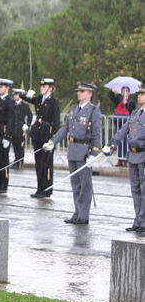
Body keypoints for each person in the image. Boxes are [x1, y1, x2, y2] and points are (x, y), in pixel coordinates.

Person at [44, 82, 103, 225]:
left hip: (84, 151)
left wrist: (94, 153)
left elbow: (96, 134)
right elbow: (65, 129)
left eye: (82, 91)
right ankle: (77, 212)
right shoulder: (73, 109)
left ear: (90, 94)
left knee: (85, 186)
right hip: (73, 150)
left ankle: (83, 215)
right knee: (75, 185)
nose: (79, 93)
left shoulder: (93, 111)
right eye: (78, 91)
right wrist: (53, 141)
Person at [103, 88, 145, 233]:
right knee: (135, 190)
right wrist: (112, 144)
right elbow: (123, 130)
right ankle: (138, 221)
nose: (139, 96)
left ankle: (143, 222)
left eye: (142, 94)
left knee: (144, 190)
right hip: (132, 156)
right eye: (139, 94)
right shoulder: (134, 113)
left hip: (144, 156)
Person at [25, 78, 60, 197]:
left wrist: (52, 140)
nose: (41, 88)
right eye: (41, 86)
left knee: (47, 164)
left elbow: (56, 122)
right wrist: (26, 93)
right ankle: (40, 188)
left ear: (50, 88)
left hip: (47, 136)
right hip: (38, 135)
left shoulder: (54, 102)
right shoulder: (39, 99)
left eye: (44, 86)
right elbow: (26, 98)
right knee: (39, 163)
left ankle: (47, 189)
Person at [109, 86, 135, 167]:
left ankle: (125, 159)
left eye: (126, 91)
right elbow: (112, 98)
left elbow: (131, 110)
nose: (125, 92)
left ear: (129, 93)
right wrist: (112, 91)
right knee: (119, 142)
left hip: (127, 125)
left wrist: (126, 103)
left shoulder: (131, 101)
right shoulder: (118, 100)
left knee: (126, 143)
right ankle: (120, 160)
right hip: (118, 124)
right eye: (123, 90)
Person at [11, 89, 32, 169]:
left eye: (16, 95)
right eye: (14, 95)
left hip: (20, 129)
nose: (14, 96)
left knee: (20, 147)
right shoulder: (13, 104)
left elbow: (30, 116)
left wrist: (27, 124)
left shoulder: (24, 105)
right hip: (14, 128)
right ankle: (16, 160)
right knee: (15, 145)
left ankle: (20, 162)